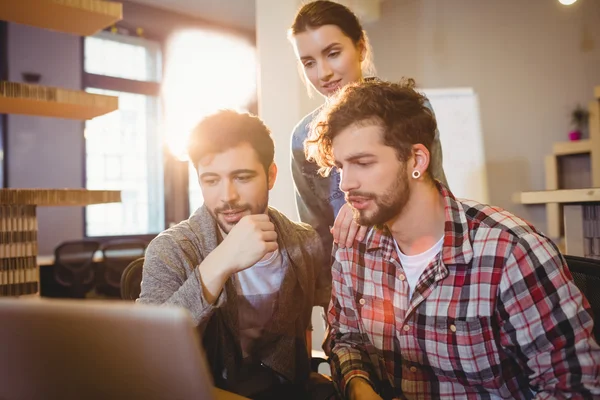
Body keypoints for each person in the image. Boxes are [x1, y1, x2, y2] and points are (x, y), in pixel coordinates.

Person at [305, 79, 600, 400]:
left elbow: (573, 387)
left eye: (363, 163)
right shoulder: (353, 247)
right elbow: (345, 338)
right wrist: (359, 387)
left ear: (416, 160)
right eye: (340, 167)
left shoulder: (510, 252)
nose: (346, 183)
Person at [138, 110, 332, 399]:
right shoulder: (172, 249)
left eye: (241, 177)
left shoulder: (303, 241)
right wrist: (221, 261)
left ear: (270, 175)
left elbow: (336, 320)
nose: (226, 196)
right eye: (211, 180)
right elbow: (148, 348)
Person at [288, 0, 448, 254]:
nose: (323, 73)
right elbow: (315, 234)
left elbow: (435, 195)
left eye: (333, 53)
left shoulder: (410, 109)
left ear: (360, 48)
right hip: (348, 272)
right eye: (309, 63)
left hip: (418, 253)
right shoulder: (302, 138)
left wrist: (364, 208)